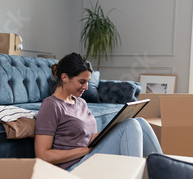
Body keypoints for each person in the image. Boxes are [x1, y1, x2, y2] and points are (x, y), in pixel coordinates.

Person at [34, 52, 162, 171]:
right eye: (82, 82)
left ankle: (164, 174)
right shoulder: (51, 105)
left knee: (140, 122)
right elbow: (43, 155)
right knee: (131, 125)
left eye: (88, 82)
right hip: (73, 168)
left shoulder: (80, 102)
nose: (86, 87)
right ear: (65, 77)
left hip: (89, 157)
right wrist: (84, 150)